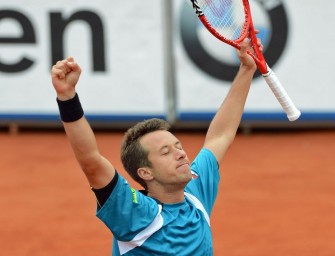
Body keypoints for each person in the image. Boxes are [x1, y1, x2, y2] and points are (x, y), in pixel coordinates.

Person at [51, 37, 262, 255]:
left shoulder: (195, 191)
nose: (180, 154)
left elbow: (220, 135)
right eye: (166, 152)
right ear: (145, 172)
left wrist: (247, 69)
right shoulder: (134, 213)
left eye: (178, 146)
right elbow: (91, 162)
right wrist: (67, 98)